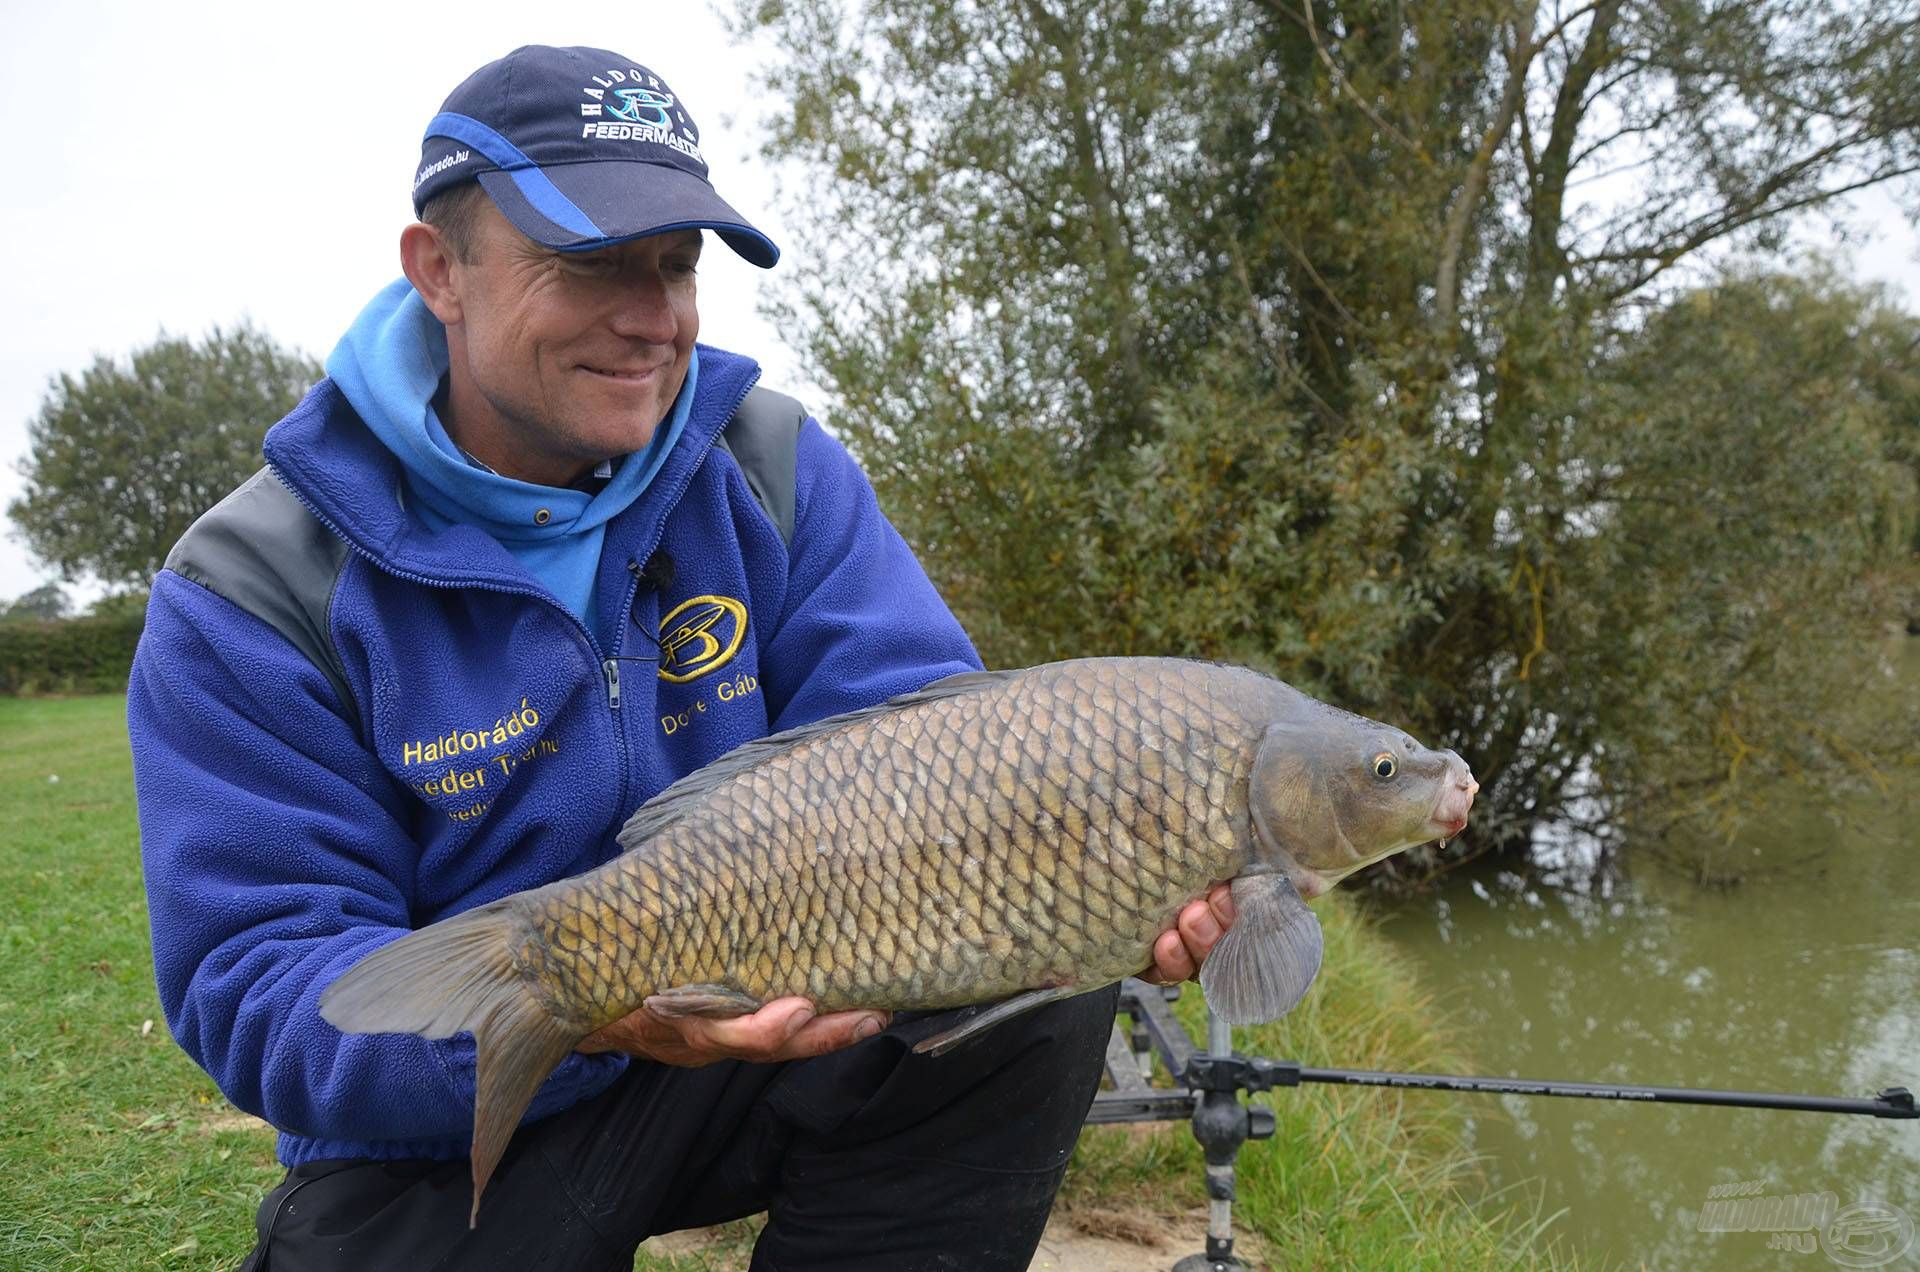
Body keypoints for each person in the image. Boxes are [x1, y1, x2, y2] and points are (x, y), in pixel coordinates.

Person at [130, 44, 1233, 1271]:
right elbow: (262, 983)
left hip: (755, 1034)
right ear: (440, 269)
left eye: (676, 266)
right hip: (439, 1122)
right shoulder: (252, 586)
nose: (653, 319)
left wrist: (1103, 885)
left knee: (1032, 1008)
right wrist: (593, 1022)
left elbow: (935, 743)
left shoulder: (766, 465)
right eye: (593, 264)